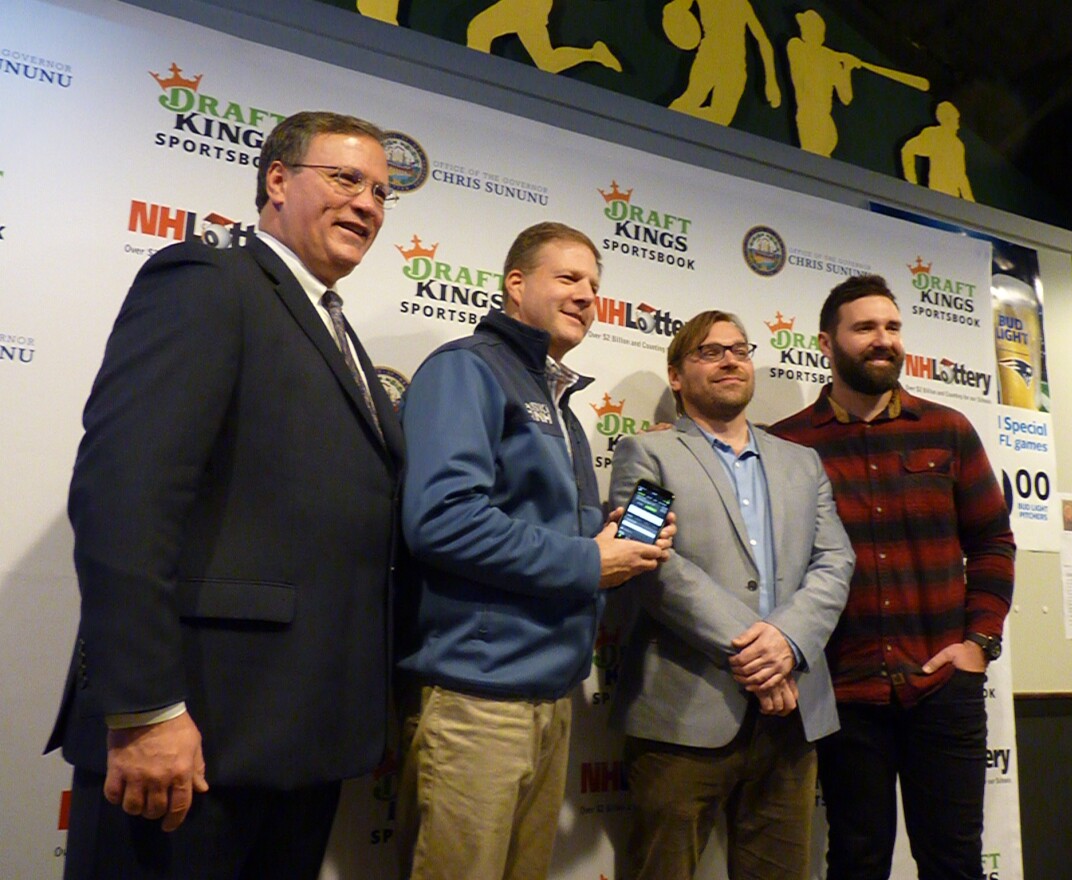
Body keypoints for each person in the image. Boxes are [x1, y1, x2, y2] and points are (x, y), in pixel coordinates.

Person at [45, 111, 405, 880]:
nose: (368, 204)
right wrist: (145, 711)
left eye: (380, 190)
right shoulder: (209, 282)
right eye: (344, 179)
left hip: (297, 747)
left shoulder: (332, 327)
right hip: (192, 741)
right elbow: (123, 496)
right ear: (277, 180)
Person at [394, 221, 673, 880]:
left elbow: (535, 526)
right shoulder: (466, 369)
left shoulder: (561, 405)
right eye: (568, 278)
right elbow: (441, 519)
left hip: (549, 697)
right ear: (515, 285)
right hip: (475, 699)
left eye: (594, 286)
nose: (585, 295)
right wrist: (588, 561)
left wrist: (611, 537)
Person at [769, 274, 1016, 880]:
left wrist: (978, 644)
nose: (882, 340)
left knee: (953, 862)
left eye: (892, 327)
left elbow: (992, 542)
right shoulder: (788, 446)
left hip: (942, 689)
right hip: (843, 696)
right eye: (865, 328)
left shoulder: (948, 430)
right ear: (826, 343)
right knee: (855, 862)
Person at [608, 310, 854, 880]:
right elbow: (647, 562)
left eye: (740, 350)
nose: (729, 360)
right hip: (682, 717)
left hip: (793, 719)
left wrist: (788, 643)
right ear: (675, 376)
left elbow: (835, 559)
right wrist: (757, 652)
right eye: (709, 351)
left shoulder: (802, 462)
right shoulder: (648, 455)